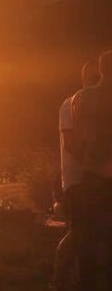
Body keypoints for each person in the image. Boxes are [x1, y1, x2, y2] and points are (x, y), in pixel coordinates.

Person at [52, 60, 100, 290]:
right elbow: (71, 144)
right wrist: (96, 165)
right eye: (92, 78)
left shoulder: (98, 106)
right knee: (79, 232)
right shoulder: (69, 104)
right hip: (77, 181)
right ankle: (59, 279)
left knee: (89, 230)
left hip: (94, 179)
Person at [71, 51, 112, 291]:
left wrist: (94, 163)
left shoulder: (81, 98)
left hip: (92, 176)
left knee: (88, 234)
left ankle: (86, 283)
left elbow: (77, 142)